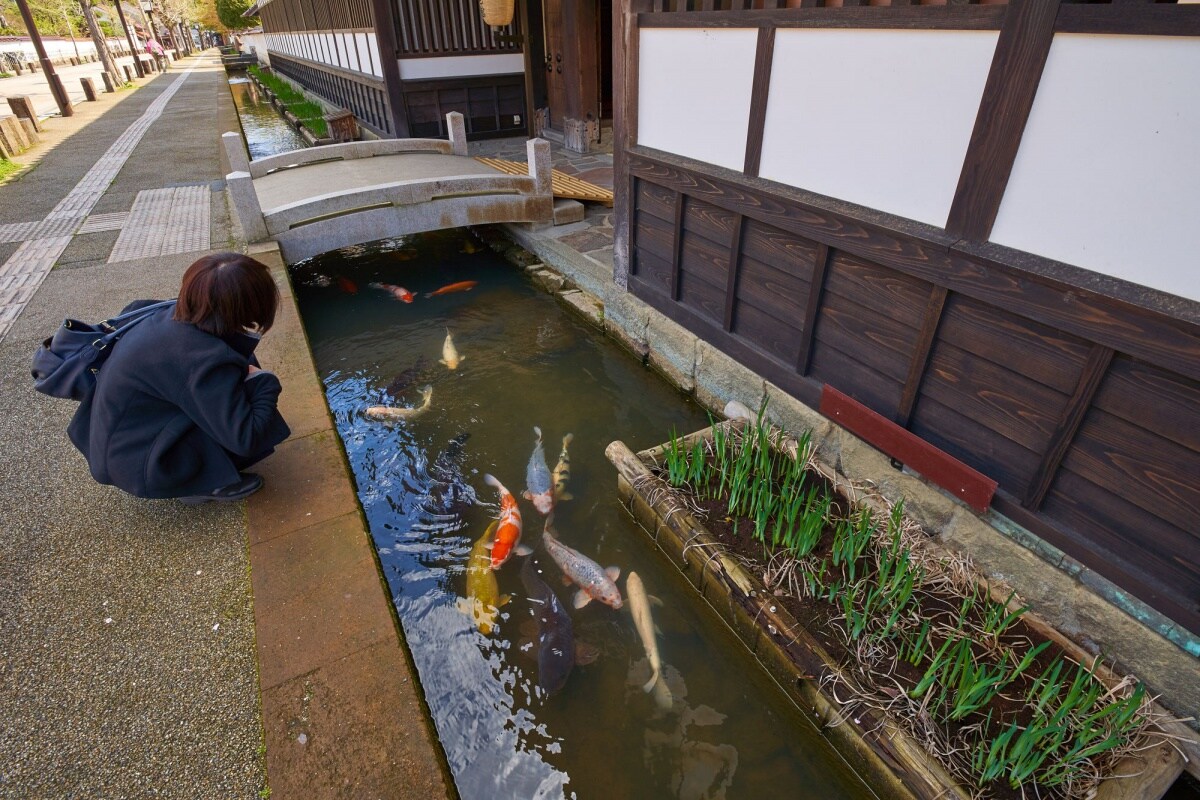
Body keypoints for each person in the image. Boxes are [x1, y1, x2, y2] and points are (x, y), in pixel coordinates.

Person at [68, 253, 291, 504]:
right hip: (144, 464)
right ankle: (201, 484)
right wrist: (264, 382)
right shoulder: (202, 359)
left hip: (119, 442)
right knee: (250, 392)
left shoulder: (169, 313)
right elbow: (246, 438)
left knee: (241, 368)